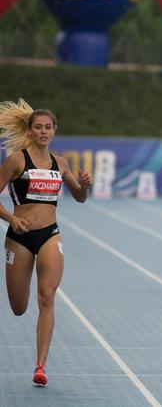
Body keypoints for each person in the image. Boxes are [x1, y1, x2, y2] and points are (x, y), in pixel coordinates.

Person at [0, 99, 93, 386]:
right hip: (20, 238)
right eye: (38, 127)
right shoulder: (17, 160)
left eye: (48, 127)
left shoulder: (60, 163)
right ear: (30, 130)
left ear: (54, 131)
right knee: (19, 307)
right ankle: (37, 356)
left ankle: (40, 366)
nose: (43, 132)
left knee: (47, 296)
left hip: (50, 234)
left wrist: (85, 186)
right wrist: (11, 219)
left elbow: (78, 196)